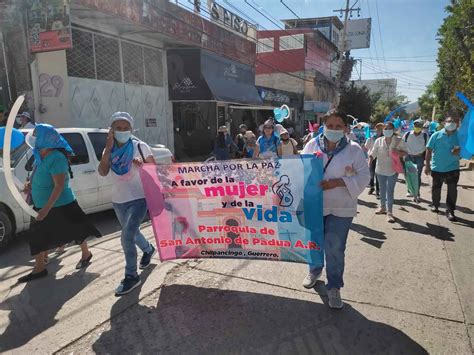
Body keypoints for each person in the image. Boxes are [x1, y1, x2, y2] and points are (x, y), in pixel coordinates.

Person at [301, 110, 370, 309]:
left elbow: (364, 176)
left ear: (346, 129)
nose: (333, 129)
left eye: (338, 126)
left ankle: (334, 287)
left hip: (342, 208)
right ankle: (314, 270)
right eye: (329, 125)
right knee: (314, 243)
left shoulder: (354, 150)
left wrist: (338, 182)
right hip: (315, 206)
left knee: (335, 248)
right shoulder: (312, 145)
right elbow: (301, 169)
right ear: (323, 126)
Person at [18, 124, 99, 283]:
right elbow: (40, 175)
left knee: (76, 230)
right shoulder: (40, 153)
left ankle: (82, 255)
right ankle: (41, 266)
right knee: (40, 234)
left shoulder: (57, 157)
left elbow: (59, 186)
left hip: (60, 203)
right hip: (42, 204)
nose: (33, 137)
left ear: (45, 138)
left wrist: (46, 209)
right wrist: (31, 185)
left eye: (36, 134)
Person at [98, 112, 157, 296]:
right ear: (112, 130)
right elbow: (103, 172)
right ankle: (148, 249)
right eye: (118, 128)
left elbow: (155, 171)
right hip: (118, 201)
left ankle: (131, 276)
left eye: (125, 128)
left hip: (139, 199)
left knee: (126, 236)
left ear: (131, 129)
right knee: (133, 232)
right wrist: (108, 149)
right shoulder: (109, 150)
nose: (122, 131)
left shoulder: (140, 147)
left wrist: (142, 165)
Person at [368, 121, 408, 223]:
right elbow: (373, 153)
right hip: (380, 169)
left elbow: (406, 151)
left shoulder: (399, 140)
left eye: (389, 128)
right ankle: (382, 207)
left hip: (393, 170)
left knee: (390, 191)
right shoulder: (378, 141)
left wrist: (399, 153)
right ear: (383, 130)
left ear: (393, 130)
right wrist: (370, 160)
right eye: (385, 128)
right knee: (382, 189)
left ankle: (389, 213)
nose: (387, 130)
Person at [424, 116, 461, 221]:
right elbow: (428, 150)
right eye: (449, 121)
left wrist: (459, 152)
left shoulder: (460, 136)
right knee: (436, 189)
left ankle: (450, 211)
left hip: (453, 168)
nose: (451, 123)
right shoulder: (436, 135)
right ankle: (435, 204)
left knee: (452, 190)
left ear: (457, 124)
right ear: (445, 122)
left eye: (454, 121)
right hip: (437, 167)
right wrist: (427, 165)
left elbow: (465, 149)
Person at [403, 118, 428, 202]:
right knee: (409, 175)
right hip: (409, 157)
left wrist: (428, 160)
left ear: (422, 126)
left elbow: (428, 147)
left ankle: (416, 193)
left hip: (419, 158)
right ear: (413, 126)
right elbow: (402, 145)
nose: (417, 127)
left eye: (419, 125)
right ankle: (410, 191)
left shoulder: (425, 135)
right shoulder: (407, 134)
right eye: (416, 125)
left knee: (417, 175)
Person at [365, 123, 384, 196]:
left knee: (378, 174)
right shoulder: (371, 138)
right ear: (375, 130)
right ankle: (372, 187)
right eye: (378, 129)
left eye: (381, 129)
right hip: (372, 158)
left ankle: (378, 191)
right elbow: (366, 147)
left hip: (380, 158)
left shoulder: (384, 139)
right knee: (371, 174)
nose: (379, 130)